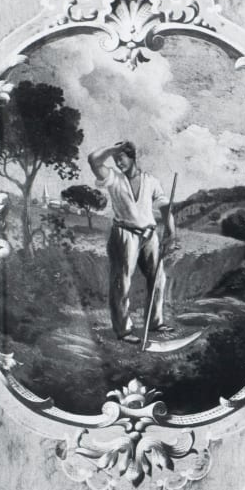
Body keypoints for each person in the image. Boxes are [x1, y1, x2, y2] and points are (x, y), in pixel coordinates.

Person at [87, 140, 177, 342]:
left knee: (158, 279)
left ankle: (155, 322)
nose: (118, 163)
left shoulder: (151, 181)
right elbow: (93, 160)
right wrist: (112, 149)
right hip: (124, 235)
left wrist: (171, 231)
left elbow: (165, 208)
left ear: (132, 156)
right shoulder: (113, 178)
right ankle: (124, 330)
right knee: (122, 282)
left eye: (121, 158)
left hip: (150, 235)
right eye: (115, 160)